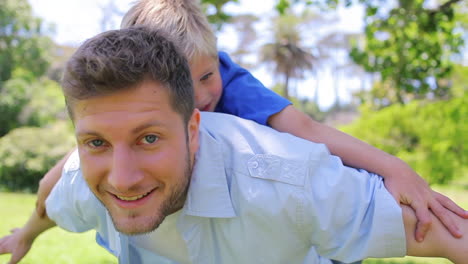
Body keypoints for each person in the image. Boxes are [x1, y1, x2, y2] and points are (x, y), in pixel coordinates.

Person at [1, 26, 467, 264]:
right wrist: (24, 236)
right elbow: (50, 197)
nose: (121, 179)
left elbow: (447, 235)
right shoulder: (82, 179)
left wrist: (396, 168)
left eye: (148, 138)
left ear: (192, 128)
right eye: (96, 142)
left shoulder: (289, 179)